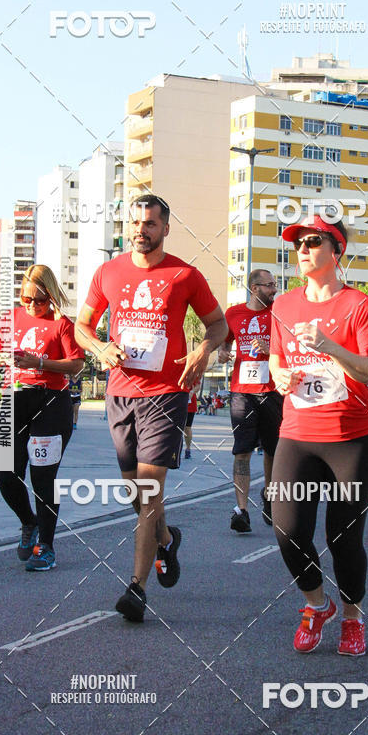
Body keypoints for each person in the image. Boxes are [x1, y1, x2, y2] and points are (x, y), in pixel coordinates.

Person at [75, 193, 227, 622]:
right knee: (135, 494)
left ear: (165, 229)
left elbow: (219, 324)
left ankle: (136, 588)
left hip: (166, 393)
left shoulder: (185, 274)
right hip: (120, 391)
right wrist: (100, 346)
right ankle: (166, 538)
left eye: (151, 224)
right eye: (136, 223)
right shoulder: (108, 272)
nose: (141, 231)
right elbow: (82, 325)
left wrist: (203, 351)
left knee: (147, 490)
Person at [268, 214, 368, 657]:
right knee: (287, 528)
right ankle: (317, 604)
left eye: (313, 241)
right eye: (298, 241)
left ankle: (353, 617)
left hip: (351, 437)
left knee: (344, 538)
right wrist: (281, 376)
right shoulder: (284, 305)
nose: (302, 247)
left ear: (336, 251)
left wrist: (330, 347)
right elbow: (279, 359)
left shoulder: (358, 305)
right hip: (297, 434)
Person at [0, 265, 85, 571]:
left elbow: (76, 365)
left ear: (50, 295)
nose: (32, 305)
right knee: (5, 473)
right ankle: (28, 522)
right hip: (14, 400)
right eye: (26, 298)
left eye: (40, 300)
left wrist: (41, 361)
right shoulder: (11, 318)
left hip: (51, 403)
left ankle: (46, 547)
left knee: (43, 478)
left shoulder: (62, 324)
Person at [218, 269, 283, 532]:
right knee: (242, 450)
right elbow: (223, 342)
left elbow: (293, 346)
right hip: (242, 391)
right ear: (254, 288)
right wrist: (223, 353)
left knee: (273, 451)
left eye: (275, 285)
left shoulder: (280, 312)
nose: (274, 289)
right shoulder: (233, 314)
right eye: (269, 285)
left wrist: (272, 350)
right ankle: (241, 510)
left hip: (273, 391)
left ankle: (269, 495)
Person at [184, 384, 200, 459]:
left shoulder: (191, 372)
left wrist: (192, 391)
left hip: (189, 403)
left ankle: (188, 449)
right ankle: (174, 451)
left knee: (187, 427)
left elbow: (198, 386)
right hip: (176, 401)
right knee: (175, 428)